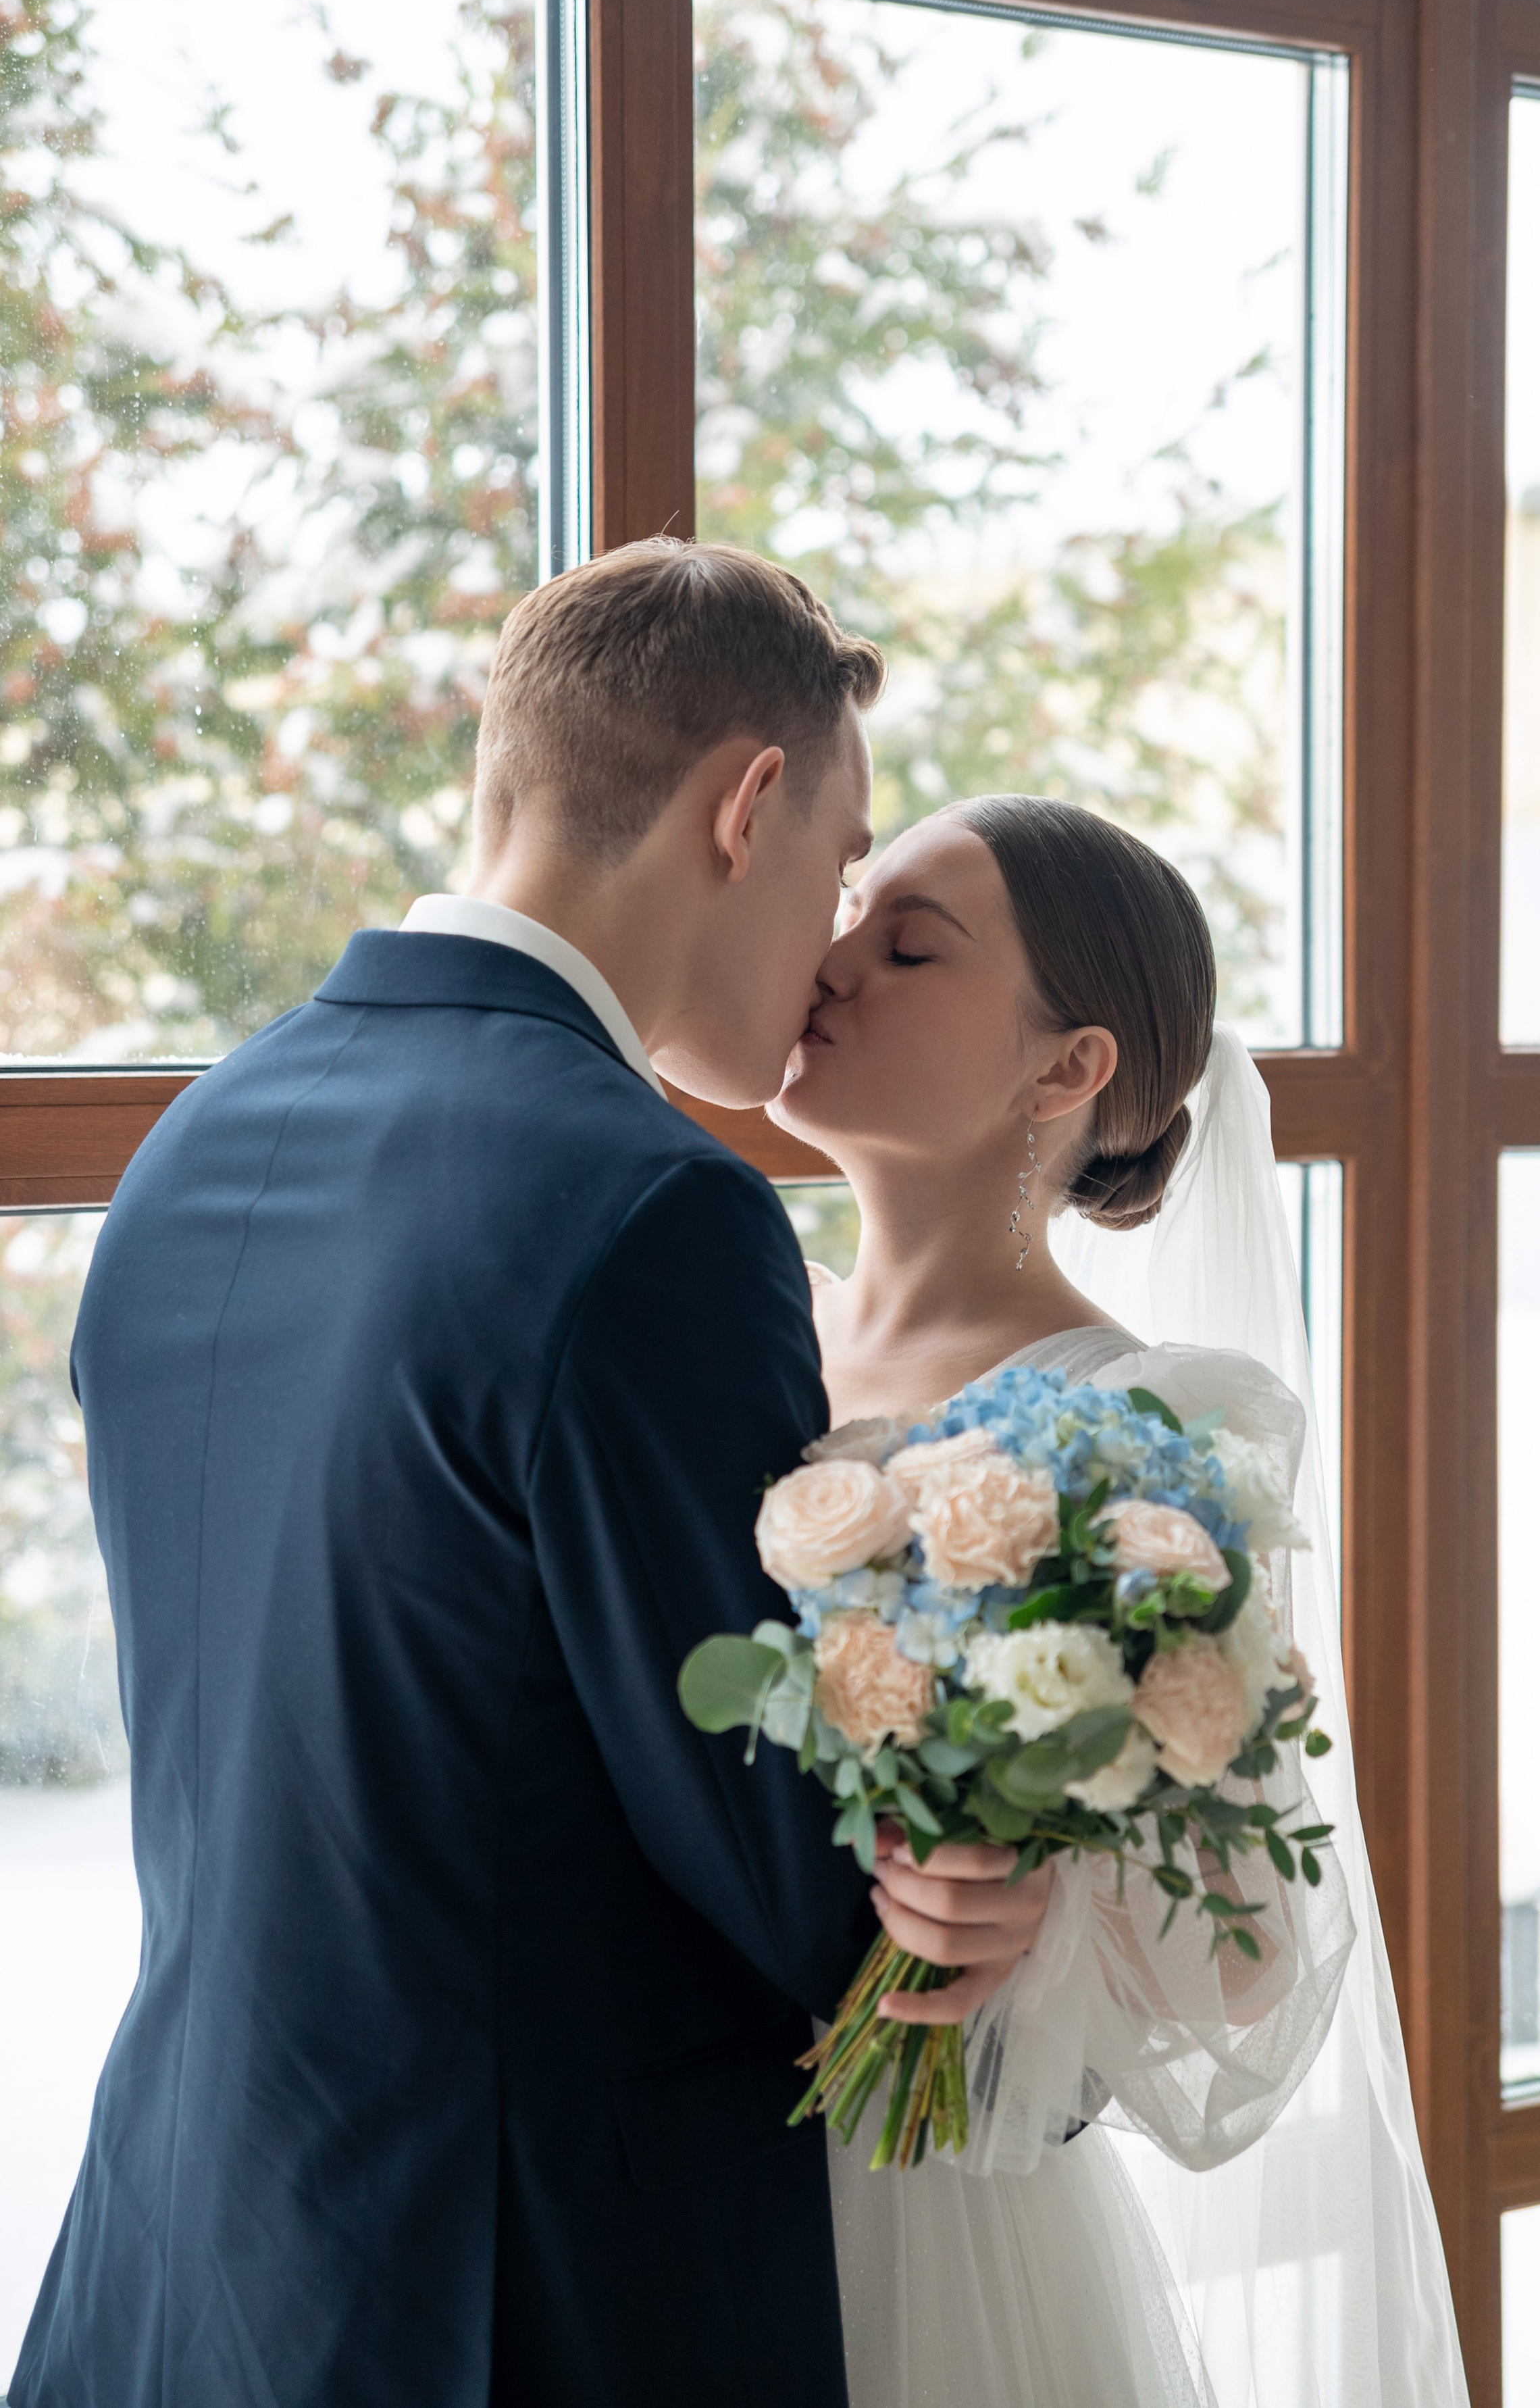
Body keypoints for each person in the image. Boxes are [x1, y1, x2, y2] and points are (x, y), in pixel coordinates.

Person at [10, 542, 1055, 2408]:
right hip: (516, 2303)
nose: (829, 937)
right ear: (747, 806)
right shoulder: (656, 1209)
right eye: (839, 853)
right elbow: (789, 1878)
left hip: (167, 2261)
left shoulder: (189, 1146)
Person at [767, 795, 1472, 2408]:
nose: (835, 958)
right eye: (850, 906)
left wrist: (1032, 1907)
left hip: (920, 2217)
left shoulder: (1148, 1427)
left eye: (907, 942)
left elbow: (1251, 1951)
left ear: (1066, 1067)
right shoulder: (736, 1306)